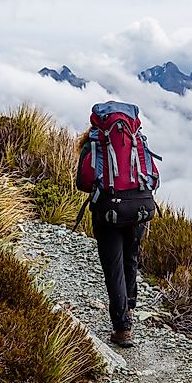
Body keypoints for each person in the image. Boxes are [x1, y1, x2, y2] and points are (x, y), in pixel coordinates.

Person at [74, 101, 160, 347]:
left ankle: (122, 328)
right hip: (139, 208)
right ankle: (129, 306)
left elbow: (84, 181)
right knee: (130, 257)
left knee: (113, 266)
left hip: (108, 211)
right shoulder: (137, 140)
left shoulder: (95, 143)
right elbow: (152, 176)